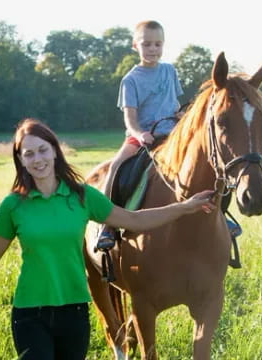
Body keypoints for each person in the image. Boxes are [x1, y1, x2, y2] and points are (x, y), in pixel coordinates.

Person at [0, 118, 215, 360]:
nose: (37, 159)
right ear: (21, 160)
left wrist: (185, 207)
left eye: (42, 150)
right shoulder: (13, 206)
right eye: (29, 154)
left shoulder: (82, 196)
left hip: (75, 313)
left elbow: (135, 220)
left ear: (55, 152)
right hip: (30, 315)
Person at [98, 20, 185, 243]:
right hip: (143, 137)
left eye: (158, 44)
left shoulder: (169, 70)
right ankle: (108, 223)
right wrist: (139, 134)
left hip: (173, 135)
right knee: (117, 166)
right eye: (147, 44)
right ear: (135, 45)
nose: (153, 49)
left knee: (202, 159)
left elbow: (173, 104)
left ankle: (220, 215)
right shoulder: (131, 80)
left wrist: (180, 116)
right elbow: (130, 118)